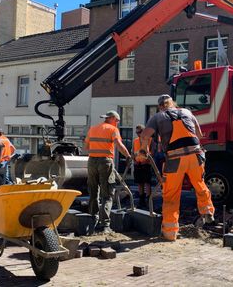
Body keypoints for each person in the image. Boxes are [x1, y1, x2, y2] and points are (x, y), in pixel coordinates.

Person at [140, 94, 215, 241]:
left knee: (171, 195)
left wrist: (144, 150)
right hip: (195, 156)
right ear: (173, 103)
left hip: (175, 159)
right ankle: (207, 210)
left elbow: (145, 135)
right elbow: (199, 134)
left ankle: (169, 232)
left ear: (160, 106)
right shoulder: (187, 112)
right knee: (199, 183)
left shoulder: (158, 117)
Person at [84, 110, 132, 234]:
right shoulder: (112, 129)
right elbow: (118, 144)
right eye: (117, 120)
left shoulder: (93, 129)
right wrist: (127, 156)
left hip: (91, 161)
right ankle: (104, 225)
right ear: (111, 118)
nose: (117, 123)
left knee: (93, 192)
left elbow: (86, 147)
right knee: (107, 194)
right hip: (105, 162)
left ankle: (92, 219)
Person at [132, 124, 154, 208]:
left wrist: (147, 161)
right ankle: (142, 200)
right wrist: (134, 161)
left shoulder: (150, 140)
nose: (138, 134)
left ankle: (149, 200)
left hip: (146, 164)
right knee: (139, 183)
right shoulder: (135, 141)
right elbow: (133, 152)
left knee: (147, 182)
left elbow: (152, 151)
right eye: (137, 132)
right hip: (138, 164)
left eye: (140, 132)